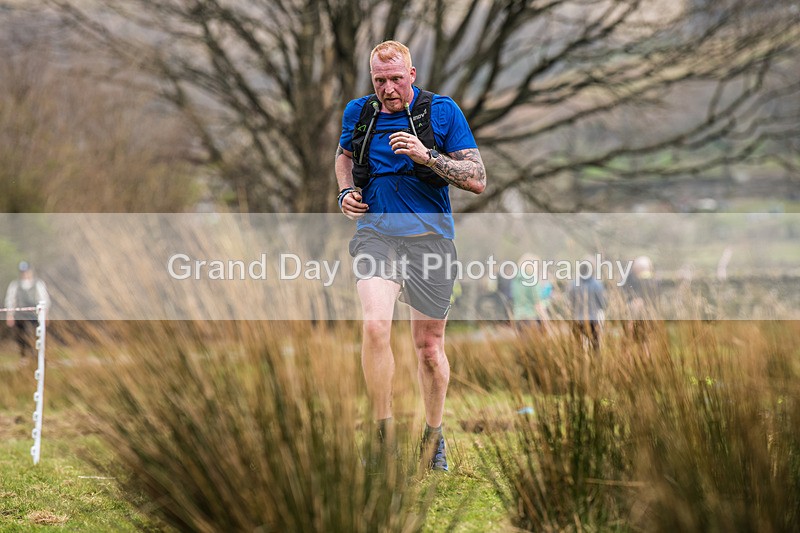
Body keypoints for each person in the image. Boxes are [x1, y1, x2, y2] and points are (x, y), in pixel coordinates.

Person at [335, 41, 486, 472]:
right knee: (375, 325)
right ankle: (382, 436)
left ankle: (433, 437)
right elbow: (343, 158)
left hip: (430, 242)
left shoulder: (442, 112)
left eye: (396, 79)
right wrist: (345, 190)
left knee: (428, 348)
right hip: (376, 236)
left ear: (412, 74)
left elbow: (477, 178)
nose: (388, 88)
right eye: (379, 80)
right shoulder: (358, 113)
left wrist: (427, 156)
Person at [5, 261, 50, 362]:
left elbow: (44, 300)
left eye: (26, 271)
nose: (25, 274)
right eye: (23, 272)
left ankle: (37, 356)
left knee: (35, 335)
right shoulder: (15, 285)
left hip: (34, 316)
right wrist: (10, 315)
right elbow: (10, 300)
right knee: (20, 336)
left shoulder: (38, 284)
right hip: (20, 316)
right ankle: (24, 356)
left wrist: (45, 315)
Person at [568, 259, 606, 353]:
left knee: (578, 348)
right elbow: (603, 304)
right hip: (593, 320)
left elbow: (570, 302)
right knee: (595, 347)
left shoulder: (573, 284)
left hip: (577, 320)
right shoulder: (597, 284)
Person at [511, 254, 552, 333]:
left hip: (518, 318)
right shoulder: (532, 280)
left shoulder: (515, 281)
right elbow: (538, 304)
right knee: (535, 345)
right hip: (531, 319)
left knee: (524, 344)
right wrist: (547, 323)